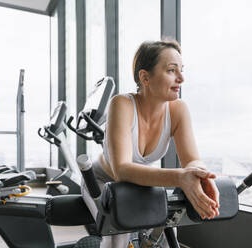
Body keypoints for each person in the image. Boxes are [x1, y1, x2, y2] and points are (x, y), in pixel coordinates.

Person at [89, 39, 220, 248]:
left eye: (181, 70)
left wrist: (201, 176)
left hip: (140, 183)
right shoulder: (122, 104)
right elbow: (121, 170)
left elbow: (192, 160)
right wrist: (180, 178)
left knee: (167, 232)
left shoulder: (178, 110)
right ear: (145, 77)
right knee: (119, 236)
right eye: (171, 70)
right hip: (103, 181)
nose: (181, 78)